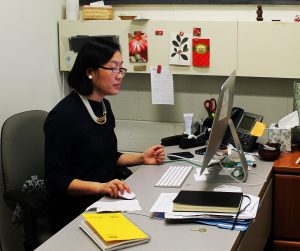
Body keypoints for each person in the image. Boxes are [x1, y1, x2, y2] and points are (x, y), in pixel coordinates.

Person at [44, 38, 166, 232]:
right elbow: (55, 179)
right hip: (76, 211)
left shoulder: (103, 106)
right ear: (90, 72)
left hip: (106, 201)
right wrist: (101, 187)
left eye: (121, 69)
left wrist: (142, 158)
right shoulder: (63, 116)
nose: (119, 76)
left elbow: (106, 156)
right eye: (113, 68)